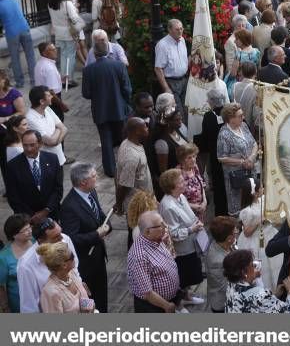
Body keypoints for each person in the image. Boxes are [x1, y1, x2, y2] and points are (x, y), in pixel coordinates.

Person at [59, 162, 111, 312]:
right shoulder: (69, 207)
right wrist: (96, 235)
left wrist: (107, 226)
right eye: (94, 176)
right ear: (83, 182)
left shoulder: (91, 192)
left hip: (98, 256)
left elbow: (99, 214)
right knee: (88, 296)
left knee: (102, 294)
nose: (97, 177)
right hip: (85, 263)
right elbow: (72, 238)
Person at [81, 39, 131, 178]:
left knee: (106, 140)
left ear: (95, 54)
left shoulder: (88, 70)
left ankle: (110, 170)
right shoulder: (119, 66)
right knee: (123, 139)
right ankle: (127, 165)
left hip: (100, 110)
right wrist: (126, 103)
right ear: (108, 53)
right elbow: (127, 88)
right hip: (119, 108)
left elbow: (86, 93)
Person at [158, 169, 205, 306]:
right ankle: (178, 304)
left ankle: (187, 297)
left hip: (191, 245)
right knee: (182, 278)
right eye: (180, 181)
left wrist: (197, 221)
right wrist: (192, 229)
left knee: (189, 276)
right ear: (172, 186)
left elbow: (189, 215)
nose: (184, 182)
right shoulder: (168, 206)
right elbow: (173, 234)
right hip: (182, 250)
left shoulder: (181, 196)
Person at [127, 210, 181, 313]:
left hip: (168, 301)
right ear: (148, 231)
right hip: (154, 307)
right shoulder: (139, 256)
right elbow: (147, 293)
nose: (165, 226)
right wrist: (167, 306)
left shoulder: (155, 238)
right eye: (160, 225)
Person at [6, 130, 63, 221]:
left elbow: (58, 189)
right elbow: (13, 196)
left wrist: (46, 210)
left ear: (40, 144)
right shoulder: (13, 166)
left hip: (51, 214)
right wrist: (31, 216)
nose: (28, 149)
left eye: (32, 145)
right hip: (27, 219)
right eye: (25, 145)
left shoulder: (52, 159)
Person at [114, 117, 153, 247]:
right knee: (137, 233)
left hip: (144, 198)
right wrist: (119, 205)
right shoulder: (132, 156)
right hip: (137, 204)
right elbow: (124, 184)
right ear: (137, 131)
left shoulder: (129, 143)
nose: (148, 128)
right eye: (145, 127)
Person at [223, 249, 290, 313]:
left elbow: (255, 306)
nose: (255, 267)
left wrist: (274, 296)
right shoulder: (259, 295)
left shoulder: (231, 283)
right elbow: (289, 311)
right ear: (244, 272)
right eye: (252, 265)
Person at [216, 103, 258, 216]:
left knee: (252, 199)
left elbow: (254, 143)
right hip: (236, 176)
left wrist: (251, 158)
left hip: (250, 170)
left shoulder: (243, 126)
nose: (243, 117)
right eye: (240, 116)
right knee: (239, 204)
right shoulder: (224, 134)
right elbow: (221, 157)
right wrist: (241, 162)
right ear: (231, 119)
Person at [36, 242, 93, 313]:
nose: (74, 257)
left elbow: (84, 302)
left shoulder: (71, 274)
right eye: (72, 256)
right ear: (64, 265)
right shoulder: (50, 292)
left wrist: (90, 308)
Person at [47, 0, 84, 88]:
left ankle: (64, 79)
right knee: (70, 56)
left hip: (58, 33)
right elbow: (74, 18)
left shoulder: (50, 4)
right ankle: (69, 79)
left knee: (63, 55)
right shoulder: (67, 4)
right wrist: (75, 9)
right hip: (68, 32)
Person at [0, 0, 37, 88]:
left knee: (15, 58)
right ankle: (34, 80)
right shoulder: (15, 0)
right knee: (30, 56)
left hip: (12, 32)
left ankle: (20, 82)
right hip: (25, 28)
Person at [154, 19, 189, 122]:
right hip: (171, 82)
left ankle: (188, 136)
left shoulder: (182, 40)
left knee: (187, 109)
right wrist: (166, 88)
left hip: (184, 80)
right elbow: (158, 68)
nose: (180, 31)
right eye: (177, 29)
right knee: (178, 112)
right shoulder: (162, 45)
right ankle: (180, 136)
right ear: (169, 30)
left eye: (181, 28)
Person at [25, 86, 67, 166]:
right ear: (42, 101)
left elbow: (64, 128)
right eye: (48, 96)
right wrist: (58, 130)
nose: (52, 97)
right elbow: (50, 141)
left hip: (59, 158)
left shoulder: (47, 109)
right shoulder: (31, 118)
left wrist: (55, 141)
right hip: (46, 163)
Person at [0, 214, 33, 312]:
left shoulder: (37, 242)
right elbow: (1, 286)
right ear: (14, 235)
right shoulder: (4, 256)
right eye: (25, 230)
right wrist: (5, 306)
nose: (30, 231)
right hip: (19, 302)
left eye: (30, 227)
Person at [205, 216, 238, 313]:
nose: (236, 231)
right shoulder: (219, 261)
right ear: (228, 238)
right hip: (222, 302)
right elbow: (229, 285)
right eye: (234, 232)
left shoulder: (220, 243)